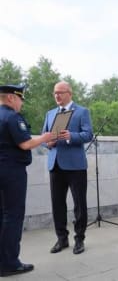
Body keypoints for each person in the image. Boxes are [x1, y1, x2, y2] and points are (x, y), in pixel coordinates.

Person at [0, 85, 53, 277]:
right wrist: (45, 137)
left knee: (2, 217)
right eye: (21, 99)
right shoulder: (12, 117)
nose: (21, 103)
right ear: (12, 98)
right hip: (11, 172)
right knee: (13, 216)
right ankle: (10, 263)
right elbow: (25, 143)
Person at [42, 81, 93, 255]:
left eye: (60, 92)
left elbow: (88, 134)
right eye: (54, 93)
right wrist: (48, 143)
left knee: (79, 203)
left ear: (69, 93)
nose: (57, 95)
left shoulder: (82, 112)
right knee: (57, 204)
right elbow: (44, 137)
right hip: (55, 164)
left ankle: (79, 239)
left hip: (75, 166)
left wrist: (71, 136)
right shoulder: (50, 114)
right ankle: (62, 239)